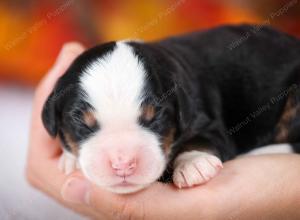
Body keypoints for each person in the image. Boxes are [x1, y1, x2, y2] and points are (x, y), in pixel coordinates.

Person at [26, 42, 300, 220]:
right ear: (54, 119)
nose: (122, 161)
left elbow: (210, 132)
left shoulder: (184, 96)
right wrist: (70, 147)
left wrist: (190, 155)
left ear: (180, 110)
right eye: (86, 129)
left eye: (151, 121)